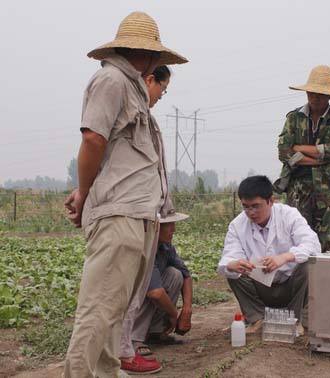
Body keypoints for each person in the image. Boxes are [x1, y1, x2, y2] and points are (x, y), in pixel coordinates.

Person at [63, 11, 187, 377]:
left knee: (115, 308)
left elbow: (114, 156)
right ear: (148, 56)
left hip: (137, 214)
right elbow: (93, 138)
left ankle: (105, 370)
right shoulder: (111, 80)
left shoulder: (132, 89)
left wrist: (85, 188)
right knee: (99, 307)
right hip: (119, 215)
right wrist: (85, 193)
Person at [118, 65, 175, 374]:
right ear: (149, 80)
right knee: (124, 288)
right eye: (161, 92)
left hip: (148, 213)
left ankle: (125, 348)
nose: (159, 98)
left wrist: (165, 212)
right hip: (130, 213)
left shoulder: (148, 120)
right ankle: (119, 351)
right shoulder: (125, 111)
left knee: (137, 286)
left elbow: (159, 172)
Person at [218, 175, 321, 332]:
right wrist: (234, 264)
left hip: (291, 287)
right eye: (246, 207)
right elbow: (229, 257)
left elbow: (312, 245)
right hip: (261, 289)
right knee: (233, 271)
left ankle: (295, 320)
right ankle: (257, 318)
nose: (251, 212)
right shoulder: (237, 225)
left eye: (256, 206)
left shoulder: (289, 215)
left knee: (308, 265)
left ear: (271, 201)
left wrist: (284, 257)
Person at [276, 65, 330, 253]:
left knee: (326, 241)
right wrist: (318, 159)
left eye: (320, 94)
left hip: (327, 191)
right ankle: (298, 281)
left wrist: (299, 149)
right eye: (312, 93)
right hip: (297, 189)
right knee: (296, 238)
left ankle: (325, 281)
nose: (314, 97)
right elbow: (284, 152)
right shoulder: (294, 118)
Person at [124, 203, 192, 367]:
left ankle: (155, 333)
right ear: (155, 226)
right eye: (168, 225)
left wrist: (187, 309)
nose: (173, 229)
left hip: (147, 298)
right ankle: (133, 339)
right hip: (128, 304)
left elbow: (186, 275)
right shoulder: (145, 249)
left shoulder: (165, 247)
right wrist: (174, 315)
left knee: (175, 274)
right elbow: (155, 293)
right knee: (149, 289)